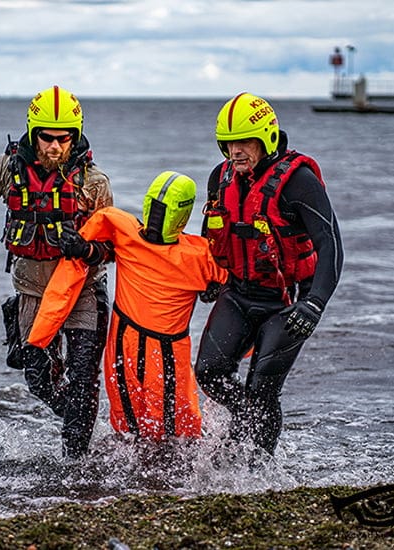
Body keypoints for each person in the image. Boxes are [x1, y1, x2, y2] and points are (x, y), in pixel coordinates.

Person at [0, 85, 113, 459]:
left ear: (75, 136)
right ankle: (81, 424)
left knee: (83, 381)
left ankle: (75, 462)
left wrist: (85, 249)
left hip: (82, 292)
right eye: (46, 138)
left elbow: (110, 248)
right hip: (31, 289)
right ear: (32, 132)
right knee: (39, 380)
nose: (55, 148)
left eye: (64, 139)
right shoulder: (7, 169)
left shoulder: (93, 183)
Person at [195, 93, 344, 457]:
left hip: (287, 302)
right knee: (209, 373)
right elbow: (211, 230)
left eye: (245, 141)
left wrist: (315, 305)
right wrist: (211, 277)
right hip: (239, 292)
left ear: (268, 138)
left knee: (263, 388)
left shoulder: (300, 182)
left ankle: (261, 471)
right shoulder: (222, 177)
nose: (236, 151)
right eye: (229, 143)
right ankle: (243, 432)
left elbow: (331, 245)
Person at [28, 171, 228, 441]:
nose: (157, 216)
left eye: (163, 210)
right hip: (125, 349)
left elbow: (240, 293)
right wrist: (84, 250)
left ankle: (171, 478)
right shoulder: (123, 230)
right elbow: (73, 274)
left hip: (162, 354)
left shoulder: (199, 255)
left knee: (175, 435)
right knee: (129, 430)